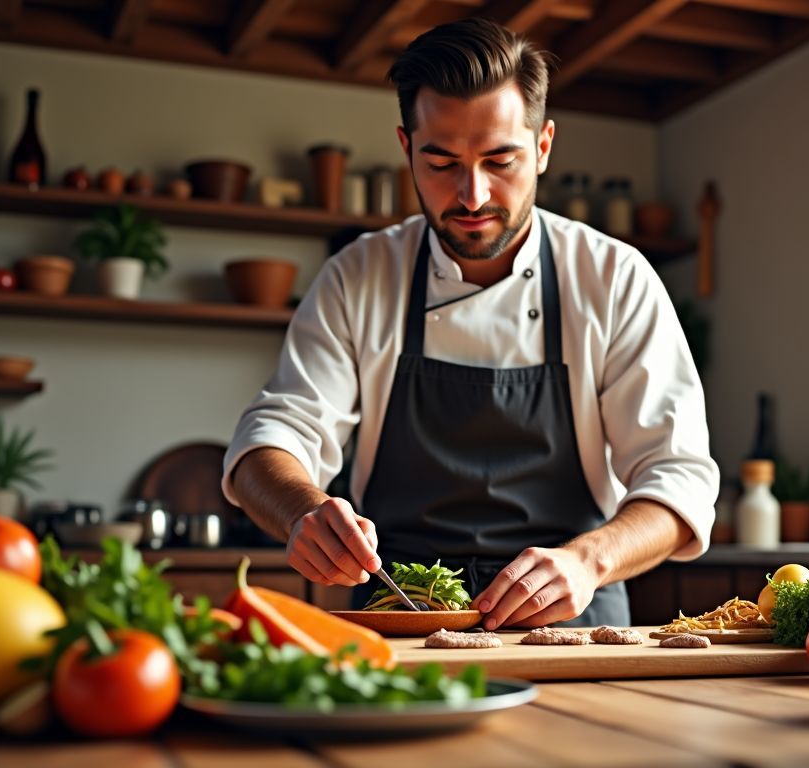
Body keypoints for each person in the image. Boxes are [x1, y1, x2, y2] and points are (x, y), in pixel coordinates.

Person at [223, 17, 717, 630]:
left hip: (572, 622)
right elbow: (268, 440)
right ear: (406, 148)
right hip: (401, 613)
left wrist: (591, 559)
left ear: (542, 147)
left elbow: (681, 480)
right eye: (442, 162)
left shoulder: (614, 277)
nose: (474, 195)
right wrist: (303, 511)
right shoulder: (359, 276)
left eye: (500, 160)